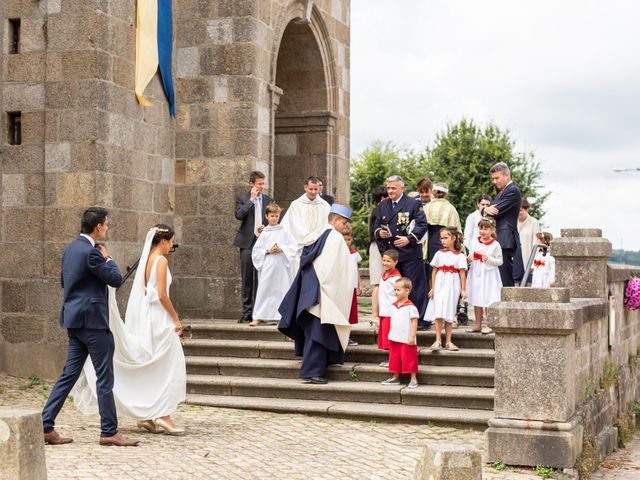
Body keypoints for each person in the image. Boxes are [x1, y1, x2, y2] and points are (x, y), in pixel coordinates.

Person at [72, 225, 187, 436]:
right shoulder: (160, 261)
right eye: (171, 241)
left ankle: (148, 416)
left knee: (154, 365)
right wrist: (176, 320)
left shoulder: (147, 260)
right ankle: (164, 414)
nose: (172, 246)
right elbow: (161, 295)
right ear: (163, 241)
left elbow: (147, 292)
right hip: (160, 319)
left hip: (149, 318)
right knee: (169, 365)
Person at [41, 207, 139, 447]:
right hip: (93, 322)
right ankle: (109, 431)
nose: (107, 228)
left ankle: (45, 425)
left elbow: (65, 282)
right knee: (104, 377)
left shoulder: (70, 249)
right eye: (106, 224)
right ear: (98, 227)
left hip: (74, 320)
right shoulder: (92, 253)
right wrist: (108, 258)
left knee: (68, 375)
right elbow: (116, 280)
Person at [278, 204, 357, 385]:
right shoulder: (335, 237)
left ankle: (318, 366)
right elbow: (331, 268)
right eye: (344, 222)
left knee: (314, 330)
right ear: (335, 220)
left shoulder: (318, 233)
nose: (345, 226)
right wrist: (328, 290)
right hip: (322, 290)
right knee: (317, 332)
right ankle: (311, 372)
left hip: (310, 288)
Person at [373, 175, 428, 328]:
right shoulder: (383, 205)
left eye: (393, 188)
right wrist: (379, 232)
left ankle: (420, 319)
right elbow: (376, 224)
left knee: (414, 286)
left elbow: (422, 224)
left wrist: (409, 238)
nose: (390, 191)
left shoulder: (413, 204)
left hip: (410, 252)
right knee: (395, 288)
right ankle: (396, 317)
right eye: (388, 188)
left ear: (402, 189)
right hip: (392, 254)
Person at [234, 171, 273, 323]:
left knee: (261, 278)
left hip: (263, 243)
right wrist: (251, 200)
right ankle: (246, 312)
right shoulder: (242, 198)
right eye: (259, 184)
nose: (262, 187)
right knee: (247, 279)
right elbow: (239, 215)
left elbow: (275, 219)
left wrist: (267, 225)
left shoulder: (269, 200)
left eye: (263, 184)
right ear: (251, 184)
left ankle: (259, 312)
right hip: (247, 243)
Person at [250, 202, 297, 326]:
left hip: (281, 265)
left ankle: (281, 316)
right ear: (266, 216)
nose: (274, 218)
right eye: (272, 216)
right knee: (264, 289)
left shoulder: (284, 231)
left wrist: (282, 248)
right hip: (268, 265)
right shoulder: (264, 232)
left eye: (276, 216)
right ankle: (259, 316)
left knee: (281, 290)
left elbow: (293, 246)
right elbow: (256, 251)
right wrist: (268, 250)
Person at [423, 182, 462, 325]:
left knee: (433, 275)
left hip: (431, 243)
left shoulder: (426, 207)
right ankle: (450, 312)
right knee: (450, 276)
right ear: (446, 194)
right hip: (447, 243)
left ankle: (434, 311)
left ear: (434, 192)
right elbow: (457, 230)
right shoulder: (451, 209)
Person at [425, 227, 467, 351]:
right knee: (438, 312)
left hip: (452, 285)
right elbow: (434, 271)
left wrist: (463, 289)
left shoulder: (460, 256)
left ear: (453, 238)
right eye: (441, 238)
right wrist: (432, 288)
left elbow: (462, 273)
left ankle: (448, 341)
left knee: (449, 313)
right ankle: (437, 340)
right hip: (439, 284)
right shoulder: (439, 253)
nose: (443, 240)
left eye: (445, 238)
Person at [482, 162, 522, 287]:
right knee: (499, 276)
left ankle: (508, 305)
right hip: (500, 237)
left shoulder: (512, 190)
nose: (494, 181)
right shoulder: (502, 192)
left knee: (504, 276)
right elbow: (489, 211)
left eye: (497, 178)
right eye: (493, 178)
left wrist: (486, 210)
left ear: (506, 175)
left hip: (505, 237)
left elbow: (495, 211)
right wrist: (486, 209)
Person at [280, 176, 331, 269]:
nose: (313, 192)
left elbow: (327, 226)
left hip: (318, 246)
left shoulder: (325, 206)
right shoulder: (296, 205)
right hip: (300, 245)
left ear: (319, 189)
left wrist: (316, 238)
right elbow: (292, 225)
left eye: (315, 189)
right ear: (305, 187)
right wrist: (308, 238)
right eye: (310, 189)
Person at [381, 277, 419, 389]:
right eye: (395, 290)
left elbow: (414, 322)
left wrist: (412, 336)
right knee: (394, 358)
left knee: (409, 358)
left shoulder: (411, 307)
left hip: (407, 338)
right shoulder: (393, 306)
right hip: (395, 337)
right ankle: (395, 376)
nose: (395, 292)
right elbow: (392, 321)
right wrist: (390, 333)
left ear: (407, 291)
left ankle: (413, 378)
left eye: (398, 290)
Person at [466, 217, 503, 334]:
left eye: (486, 229)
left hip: (489, 275)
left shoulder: (495, 245)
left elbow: (499, 261)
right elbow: (471, 255)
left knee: (488, 298)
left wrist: (488, 259)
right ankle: (477, 324)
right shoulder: (474, 242)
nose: (482, 231)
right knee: (477, 298)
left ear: (492, 230)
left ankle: (489, 324)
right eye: (481, 228)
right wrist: (469, 259)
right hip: (476, 273)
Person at [371, 249, 401, 366]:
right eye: (383, 260)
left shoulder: (396, 278)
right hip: (384, 312)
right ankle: (390, 359)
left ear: (395, 262)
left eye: (388, 261)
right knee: (386, 338)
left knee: (391, 338)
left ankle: (393, 360)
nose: (385, 263)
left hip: (391, 313)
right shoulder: (383, 275)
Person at [368, 186, 388, 330]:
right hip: (378, 248)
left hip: (381, 248)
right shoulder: (379, 211)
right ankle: (374, 314)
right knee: (377, 282)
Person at [342, 223, 362, 346]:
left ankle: (348, 336)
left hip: (352, 286)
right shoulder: (338, 253)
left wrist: (360, 285)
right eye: (344, 240)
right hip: (342, 286)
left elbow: (356, 269)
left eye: (349, 240)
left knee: (350, 312)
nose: (347, 242)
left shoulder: (354, 253)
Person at [514, 198, 541, 284]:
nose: (518, 213)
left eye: (521, 210)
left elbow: (536, 243)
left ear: (527, 209)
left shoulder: (534, 222)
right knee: (516, 280)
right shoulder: (513, 221)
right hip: (515, 256)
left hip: (528, 255)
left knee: (528, 280)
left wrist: (534, 261)